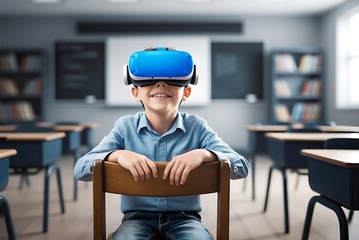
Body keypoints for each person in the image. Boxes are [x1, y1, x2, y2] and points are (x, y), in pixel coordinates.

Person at [74, 47, 249, 240]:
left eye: (171, 79)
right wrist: (116, 155)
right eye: (150, 80)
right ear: (135, 92)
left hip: (186, 219)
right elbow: (80, 169)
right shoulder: (124, 128)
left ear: (186, 92)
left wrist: (203, 154)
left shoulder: (198, 128)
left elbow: (241, 166)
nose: (161, 84)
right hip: (135, 219)